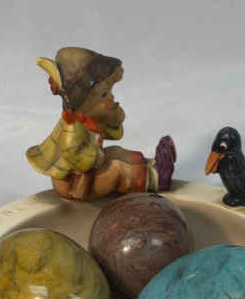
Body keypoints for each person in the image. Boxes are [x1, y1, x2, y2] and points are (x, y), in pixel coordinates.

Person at [26, 47, 176, 200]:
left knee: (117, 152)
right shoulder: (71, 131)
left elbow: (114, 132)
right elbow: (79, 160)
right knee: (116, 169)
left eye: (109, 92)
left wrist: (112, 114)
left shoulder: (89, 120)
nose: (111, 97)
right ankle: (156, 178)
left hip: (89, 171)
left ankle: (153, 164)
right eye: (104, 95)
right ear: (82, 104)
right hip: (74, 184)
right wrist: (97, 154)